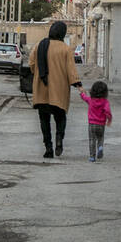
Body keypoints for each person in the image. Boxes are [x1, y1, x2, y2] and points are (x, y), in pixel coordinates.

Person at [29, 21, 81, 158]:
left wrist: (40, 74)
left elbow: (32, 64)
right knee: (60, 117)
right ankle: (59, 139)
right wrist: (78, 84)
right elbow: (71, 70)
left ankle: (48, 148)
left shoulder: (39, 45)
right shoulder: (65, 49)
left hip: (42, 89)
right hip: (59, 90)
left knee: (44, 120)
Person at [78, 81, 113, 162]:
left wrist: (82, 92)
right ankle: (100, 147)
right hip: (101, 124)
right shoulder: (105, 102)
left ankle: (92, 157)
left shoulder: (90, 100)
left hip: (92, 124)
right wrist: (109, 120)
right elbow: (108, 112)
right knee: (100, 138)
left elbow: (84, 97)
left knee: (92, 139)